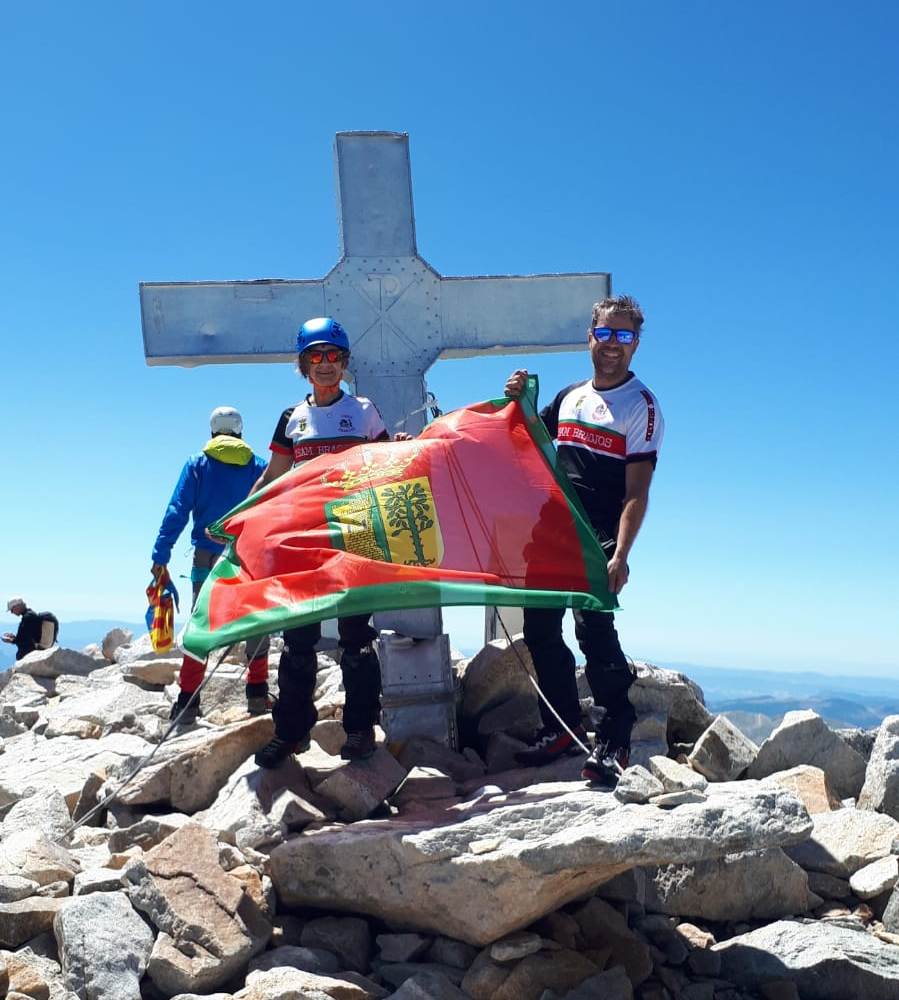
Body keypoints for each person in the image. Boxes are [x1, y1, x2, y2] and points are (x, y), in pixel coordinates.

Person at [504, 294, 665, 785]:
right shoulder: (572, 395)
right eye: (605, 333)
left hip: (598, 535)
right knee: (539, 632)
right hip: (549, 531)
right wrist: (519, 399)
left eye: (624, 336)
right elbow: (527, 435)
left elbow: (637, 491)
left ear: (636, 344)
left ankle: (615, 738)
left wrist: (621, 552)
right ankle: (560, 727)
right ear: (589, 336)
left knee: (595, 635)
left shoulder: (642, 406)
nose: (613, 344)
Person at [252, 316, 409, 769]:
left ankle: (360, 730)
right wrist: (240, 515)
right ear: (302, 364)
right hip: (303, 535)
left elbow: (385, 461)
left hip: (356, 530)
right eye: (315, 356)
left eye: (333, 356)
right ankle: (290, 733)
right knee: (297, 637)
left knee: (356, 637)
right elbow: (273, 475)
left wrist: (398, 449)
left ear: (344, 363)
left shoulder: (363, 411)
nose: (325, 364)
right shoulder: (292, 418)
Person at [151, 406, 269, 720]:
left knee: (202, 624)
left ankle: (189, 700)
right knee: (257, 622)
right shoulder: (259, 466)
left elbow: (177, 511)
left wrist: (160, 556)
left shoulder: (197, 465)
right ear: (240, 432)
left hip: (207, 557)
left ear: (212, 432)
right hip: (250, 558)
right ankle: (257, 694)